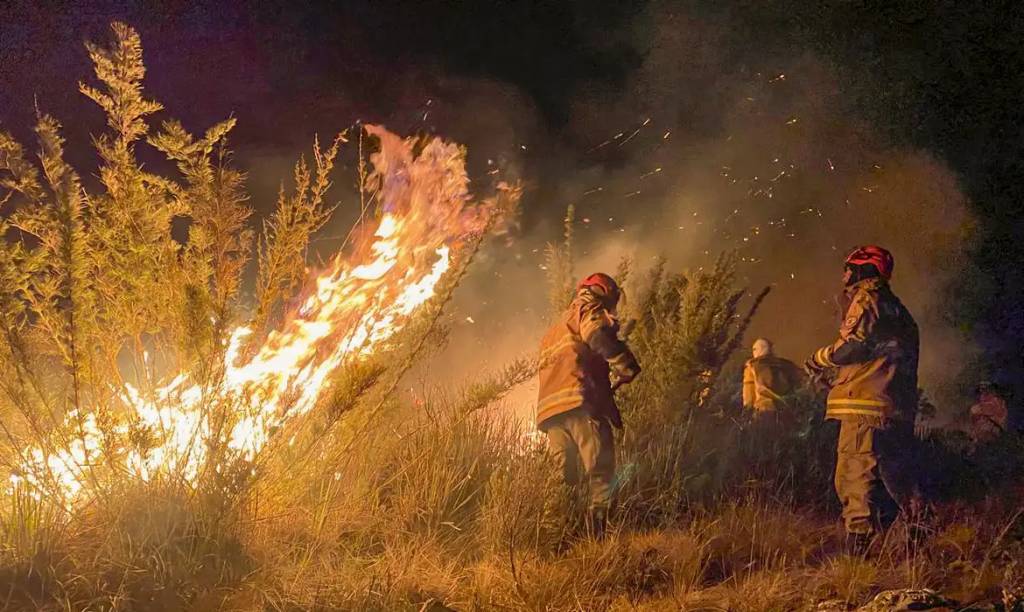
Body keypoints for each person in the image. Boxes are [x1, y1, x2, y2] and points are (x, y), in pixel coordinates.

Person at [805, 245, 922, 553]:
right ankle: (916, 538)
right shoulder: (898, 309)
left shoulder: (867, 299)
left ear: (863, 270)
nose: (844, 274)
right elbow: (879, 355)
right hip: (894, 408)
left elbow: (853, 346)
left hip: (864, 407)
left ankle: (859, 553)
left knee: (854, 475)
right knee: (894, 478)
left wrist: (820, 359)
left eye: (849, 267)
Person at [536, 272, 641, 536]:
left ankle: (556, 540)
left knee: (561, 480)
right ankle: (599, 539)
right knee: (601, 471)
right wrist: (625, 365)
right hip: (579, 403)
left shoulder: (555, 327)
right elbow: (598, 338)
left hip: (551, 411)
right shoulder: (589, 309)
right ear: (605, 294)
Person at [742, 338, 804, 417]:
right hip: (787, 411)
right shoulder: (786, 365)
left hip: (764, 411)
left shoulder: (752, 367)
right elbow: (799, 384)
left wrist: (747, 412)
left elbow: (749, 396)